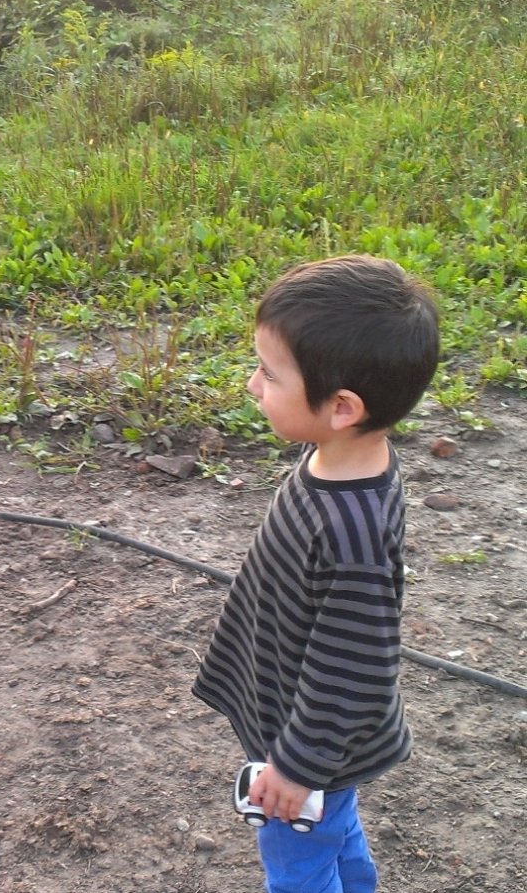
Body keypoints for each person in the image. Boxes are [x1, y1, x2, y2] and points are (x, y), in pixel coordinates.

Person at [192, 254, 440, 893]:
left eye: (270, 375)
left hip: (309, 749)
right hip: (303, 727)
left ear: (342, 407)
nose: (252, 385)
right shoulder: (337, 454)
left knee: (299, 868)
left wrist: (297, 770)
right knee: (337, 831)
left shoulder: (351, 532)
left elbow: (354, 668)